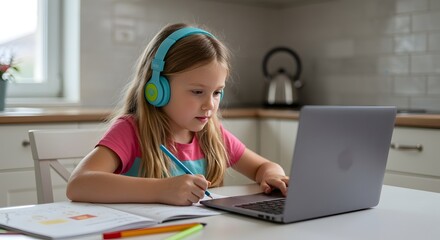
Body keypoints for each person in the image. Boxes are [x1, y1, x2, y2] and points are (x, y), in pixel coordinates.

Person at [66, 23, 289, 206]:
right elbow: (78, 184)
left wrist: (271, 176)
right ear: (158, 89)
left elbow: (263, 167)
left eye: (217, 92)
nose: (209, 105)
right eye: (197, 92)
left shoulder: (212, 135)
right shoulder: (132, 130)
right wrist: (161, 190)